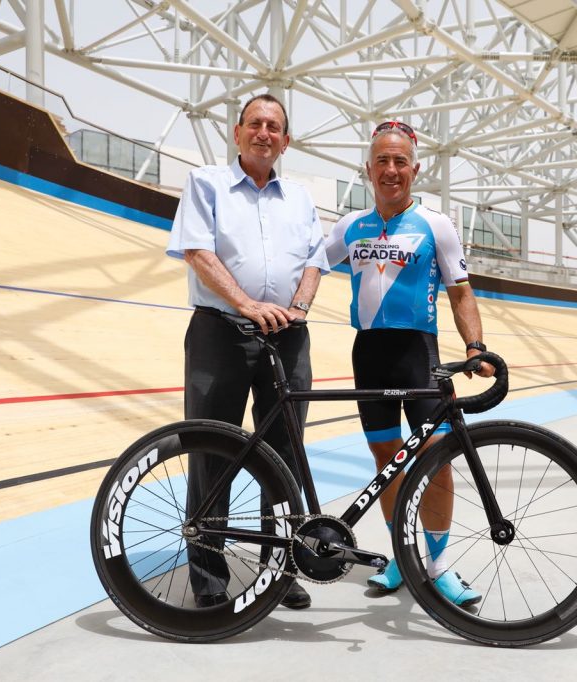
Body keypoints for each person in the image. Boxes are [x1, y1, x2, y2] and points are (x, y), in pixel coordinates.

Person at [167, 93, 328, 610]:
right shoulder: (205, 182)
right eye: (255, 123)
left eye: (274, 126)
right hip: (221, 332)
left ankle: (279, 569)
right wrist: (248, 303)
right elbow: (197, 251)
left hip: (288, 335)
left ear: (286, 140)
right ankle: (209, 579)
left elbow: (314, 260)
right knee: (211, 452)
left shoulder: (301, 197)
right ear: (237, 133)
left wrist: (299, 307)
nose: (264, 132)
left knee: (284, 457)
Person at [324, 121, 494, 607]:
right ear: (368, 169)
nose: (391, 170)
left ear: (415, 169)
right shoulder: (350, 227)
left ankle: (437, 564)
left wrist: (475, 347)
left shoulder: (436, 224)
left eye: (400, 161)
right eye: (382, 161)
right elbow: (309, 265)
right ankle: (403, 554)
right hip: (369, 355)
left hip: (419, 357)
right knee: (386, 461)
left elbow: (461, 291)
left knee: (436, 462)